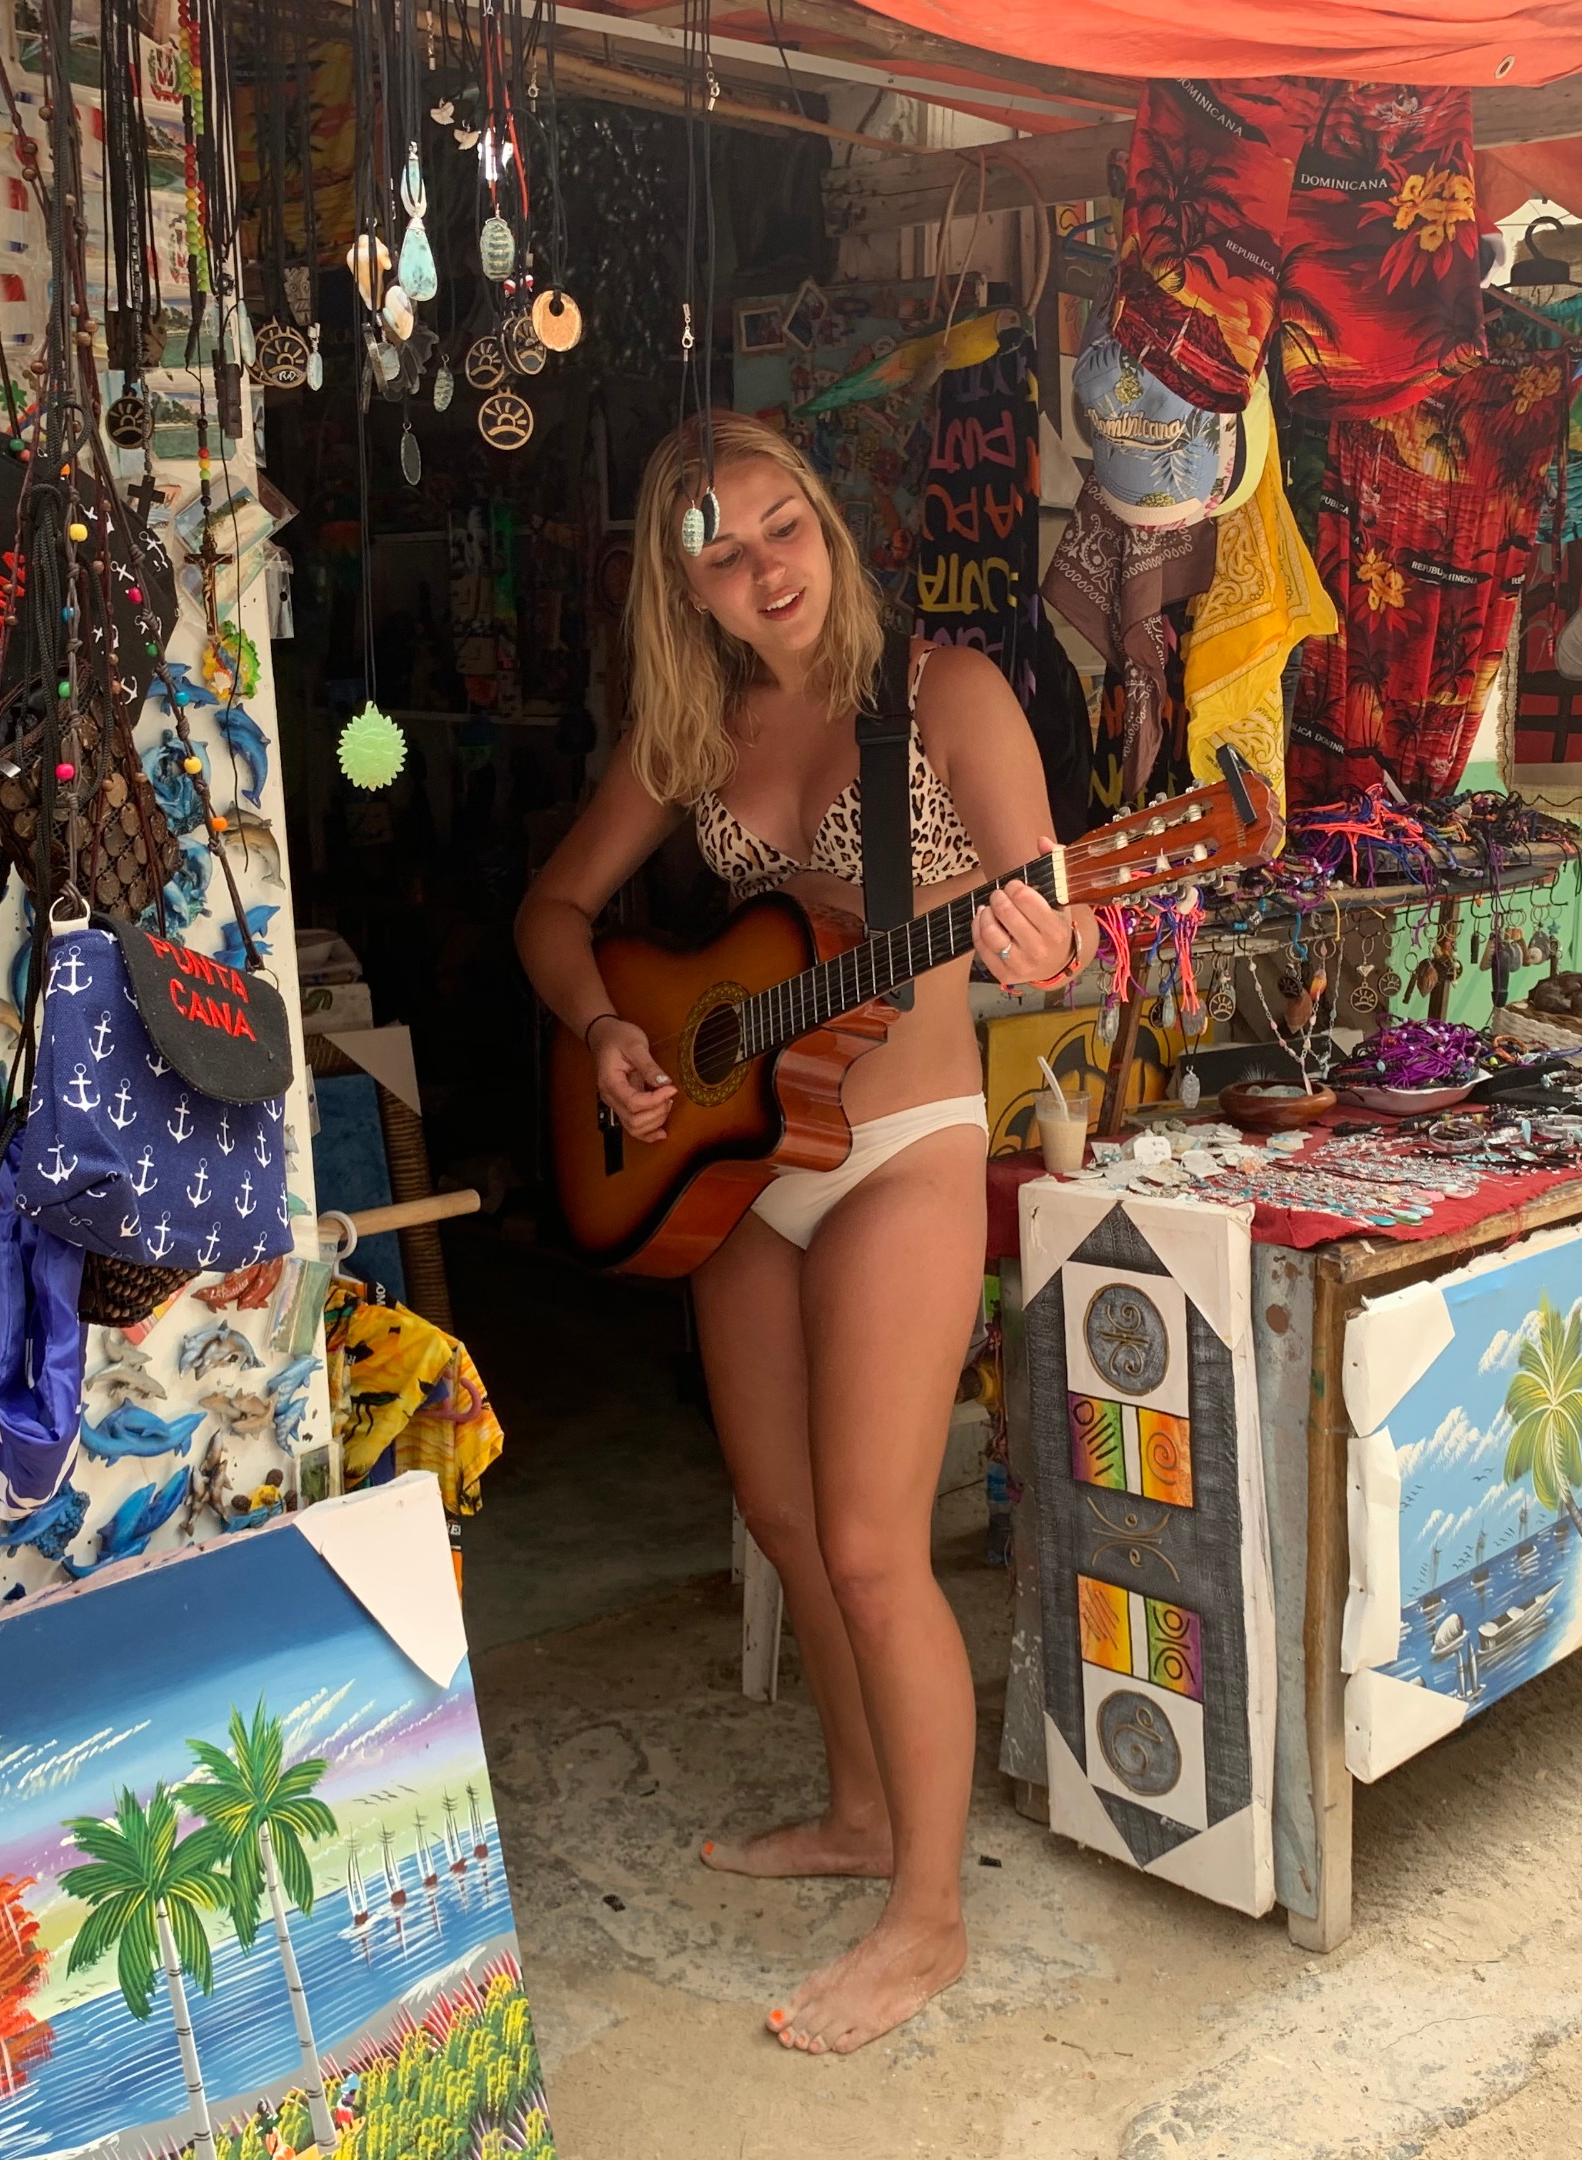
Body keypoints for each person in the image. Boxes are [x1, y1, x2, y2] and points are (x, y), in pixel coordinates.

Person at [516, 413, 1093, 2054]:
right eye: (723, 551)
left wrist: (1049, 940)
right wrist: (605, 1029)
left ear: (824, 525)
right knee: (778, 1515)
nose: (767, 568)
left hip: (903, 1144)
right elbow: (554, 910)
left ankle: (930, 1917)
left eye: (784, 526)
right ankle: (856, 1810)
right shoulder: (693, 732)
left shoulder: (946, 695)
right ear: (682, 586)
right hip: (748, 1158)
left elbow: (1056, 910)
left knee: (871, 1546)